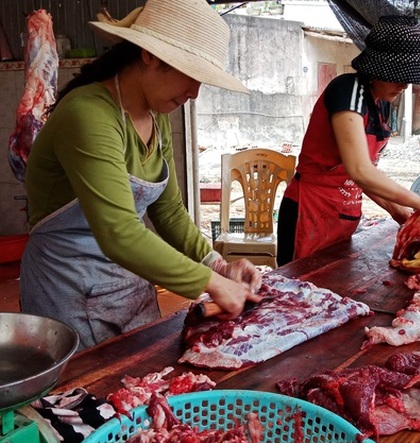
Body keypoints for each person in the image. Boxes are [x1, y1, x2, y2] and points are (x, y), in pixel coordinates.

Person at [20, 0, 262, 351]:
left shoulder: (155, 115)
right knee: (86, 401)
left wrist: (217, 264)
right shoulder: (87, 114)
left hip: (128, 282)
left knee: (144, 390)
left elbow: (169, 211)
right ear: (149, 55)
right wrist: (210, 283)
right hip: (68, 286)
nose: (195, 92)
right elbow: (120, 234)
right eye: (190, 74)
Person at [276, 15, 420, 266]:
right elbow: (359, 170)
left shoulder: (381, 105)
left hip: (342, 215)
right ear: (377, 68)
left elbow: (366, 176)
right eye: (398, 75)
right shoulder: (348, 90)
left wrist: (400, 212)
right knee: (298, 292)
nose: (404, 85)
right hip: (310, 212)